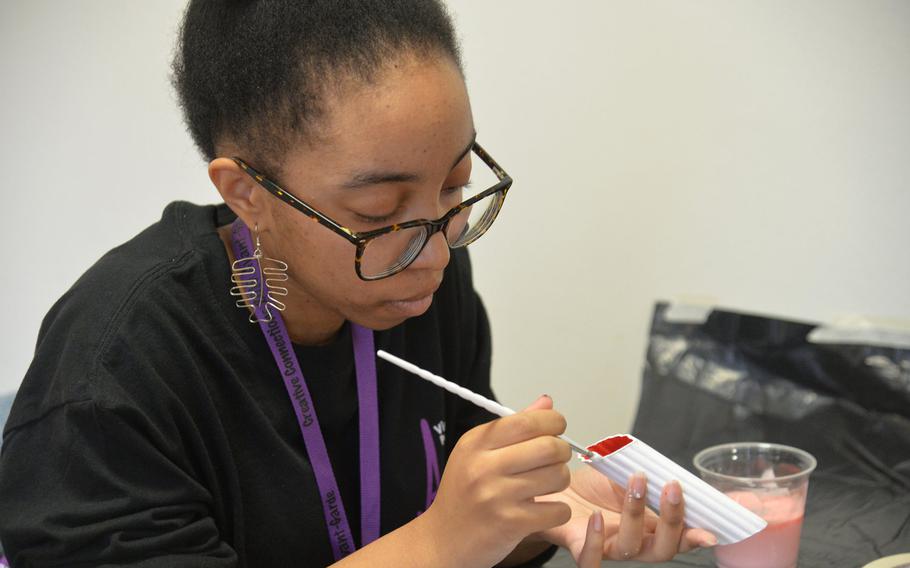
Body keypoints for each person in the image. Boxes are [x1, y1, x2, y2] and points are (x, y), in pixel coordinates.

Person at [0, 1, 717, 566]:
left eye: (454, 187)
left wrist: (539, 515)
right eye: (380, 212)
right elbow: (441, 544)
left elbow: (467, 530)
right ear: (248, 193)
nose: (435, 252)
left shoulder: (416, 284)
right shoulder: (114, 377)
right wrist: (441, 545)